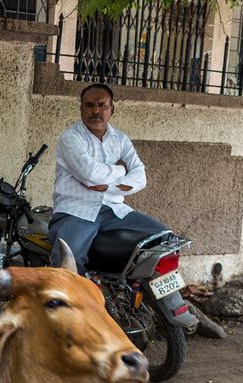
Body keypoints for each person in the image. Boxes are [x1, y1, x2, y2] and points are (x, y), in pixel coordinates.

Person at [48, 83, 167, 273]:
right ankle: (75, 302)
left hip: (114, 210)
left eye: (102, 105)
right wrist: (121, 169)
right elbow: (91, 174)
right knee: (68, 262)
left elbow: (140, 176)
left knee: (163, 238)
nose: (96, 110)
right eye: (89, 105)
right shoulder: (70, 138)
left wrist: (109, 188)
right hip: (77, 212)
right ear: (81, 108)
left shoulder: (120, 139)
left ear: (112, 109)